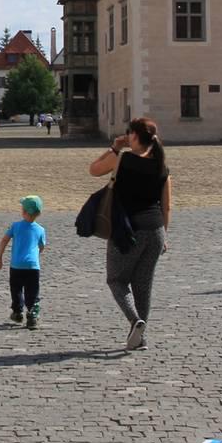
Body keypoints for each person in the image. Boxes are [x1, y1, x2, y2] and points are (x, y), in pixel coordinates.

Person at [89, 117, 171, 351]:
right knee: (143, 286)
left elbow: (93, 170)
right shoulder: (162, 165)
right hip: (155, 230)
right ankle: (140, 338)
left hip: (126, 230)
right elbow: (166, 206)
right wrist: (165, 234)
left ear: (134, 136)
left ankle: (136, 322)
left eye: (129, 133)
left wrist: (115, 147)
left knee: (116, 280)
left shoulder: (122, 159)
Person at [0, 196, 47, 329]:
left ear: (23, 211)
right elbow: (41, 247)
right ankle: (32, 315)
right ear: (39, 213)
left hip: (17, 265)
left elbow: (4, 240)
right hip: (33, 266)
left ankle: (17, 312)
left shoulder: (15, 226)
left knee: (16, 289)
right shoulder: (41, 230)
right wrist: (36, 255)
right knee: (32, 291)